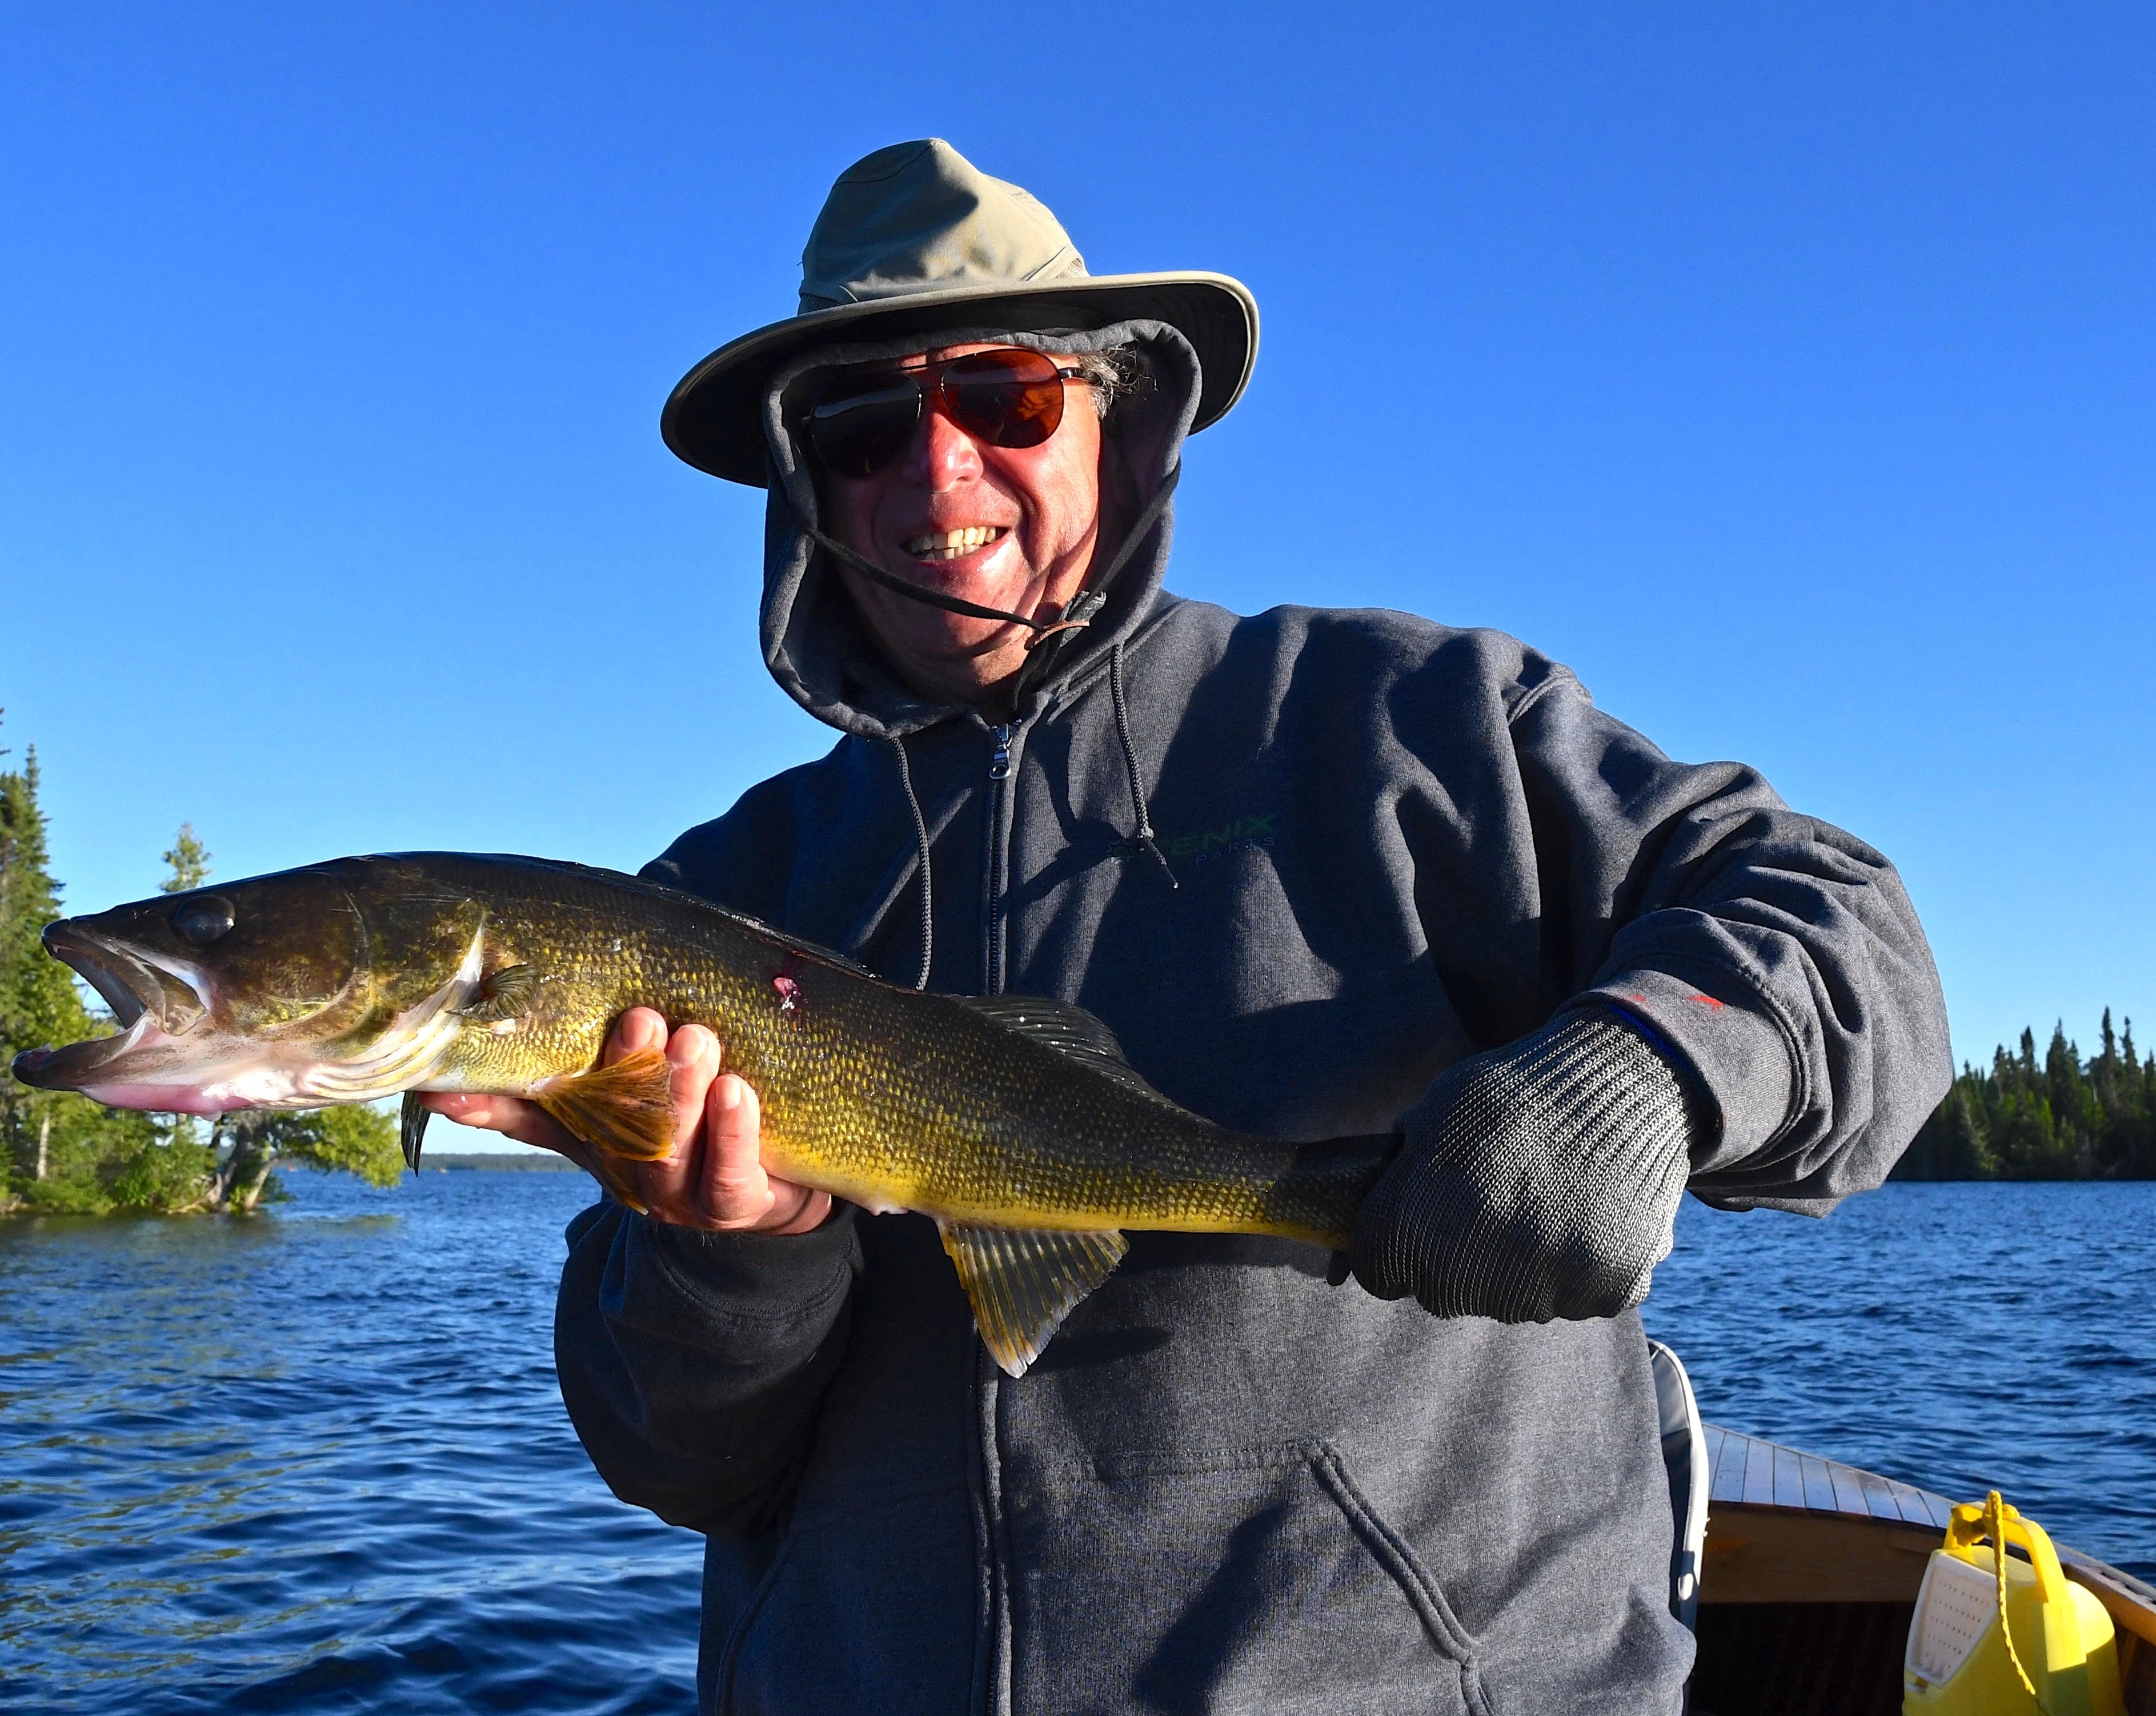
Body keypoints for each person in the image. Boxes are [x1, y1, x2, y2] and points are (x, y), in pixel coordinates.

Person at [425, 139, 1951, 1715]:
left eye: (1005, 397)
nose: (936, 472)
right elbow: (673, 1457)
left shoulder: (1407, 724)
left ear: (1122, 421)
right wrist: (730, 1247)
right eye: (863, 425)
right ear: (806, 485)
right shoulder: (713, 901)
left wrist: (1645, 1064)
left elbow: (1847, 927)